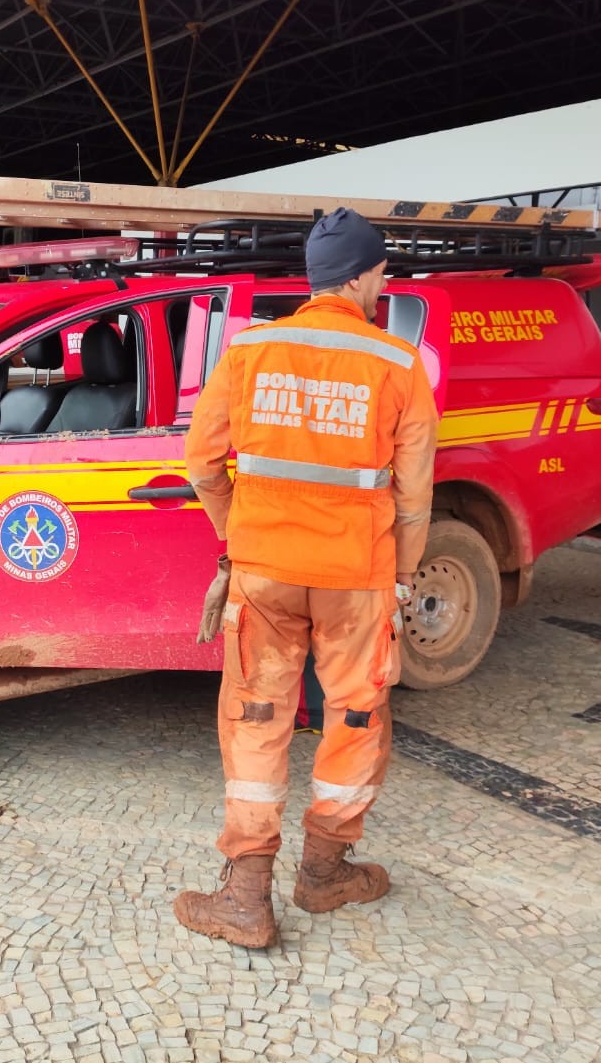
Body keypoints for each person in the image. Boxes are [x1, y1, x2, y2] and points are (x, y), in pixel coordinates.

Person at [175, 207, 439, 948]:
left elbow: (201, 460)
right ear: (358, 275)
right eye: (382, 272)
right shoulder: (397, 364)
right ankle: (324, 874)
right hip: (358, 574)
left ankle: (246, 897)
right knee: (354, 714)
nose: (385, 283)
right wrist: (403, 574)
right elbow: (415, 494)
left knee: (258, 717)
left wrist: (239, 532)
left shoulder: (250, 349)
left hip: (265, 572)